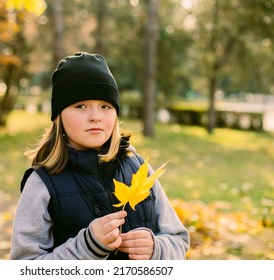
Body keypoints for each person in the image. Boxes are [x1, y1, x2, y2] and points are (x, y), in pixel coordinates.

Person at [10, 52, 189, 260]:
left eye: (105, 106)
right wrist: (86, 247)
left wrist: (157, 250)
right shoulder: (42, 183)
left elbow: (179, 240)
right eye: (81, 106)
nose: (95, 117)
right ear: (59, 116)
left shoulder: (138, 168)